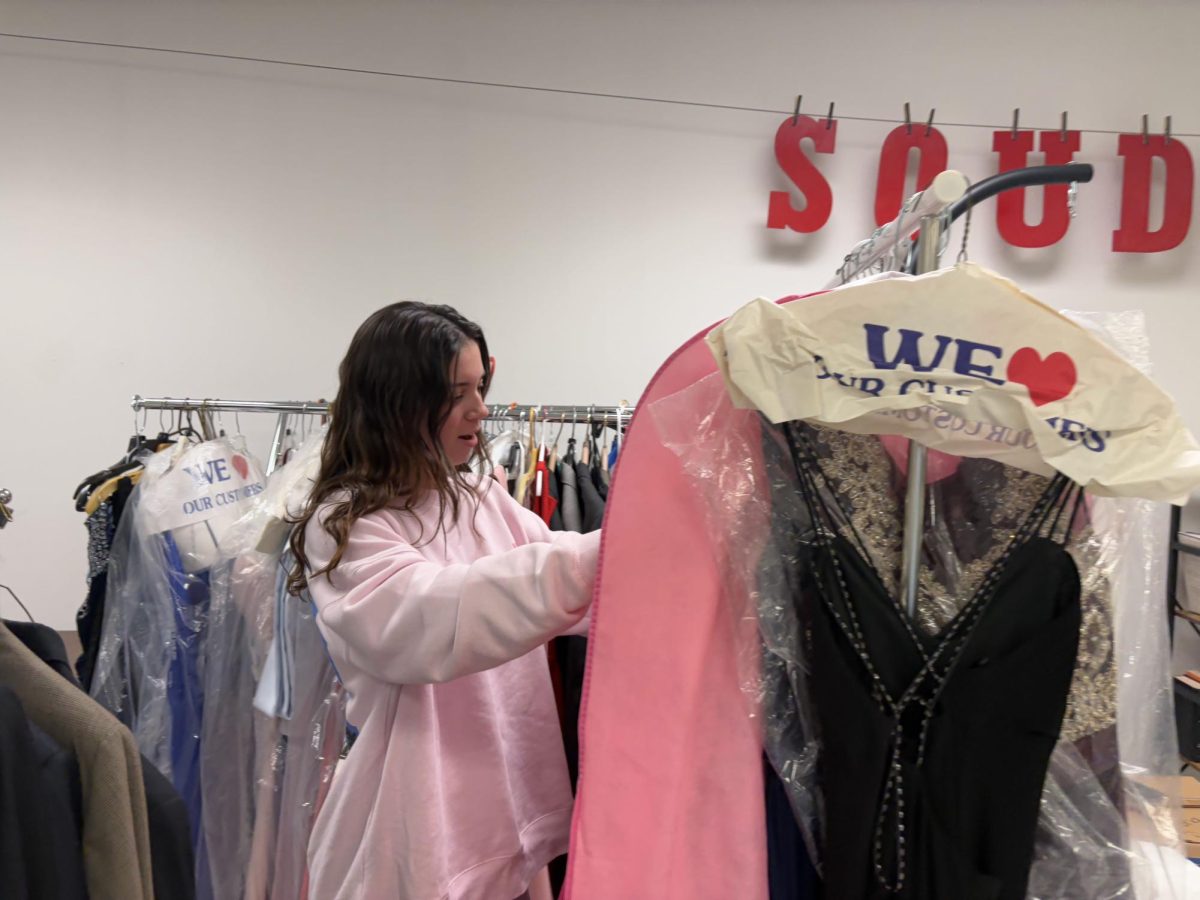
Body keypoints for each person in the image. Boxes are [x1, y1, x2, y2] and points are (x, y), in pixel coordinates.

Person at [288, 302, 599, 900]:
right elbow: (431, 618)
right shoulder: (347, 521)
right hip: (412, 834)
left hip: (502, 820)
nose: (481, 410)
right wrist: (607, 555)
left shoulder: (479, 496)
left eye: (480, 387)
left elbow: (570, 589)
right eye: (459, 393)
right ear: (399, 402)